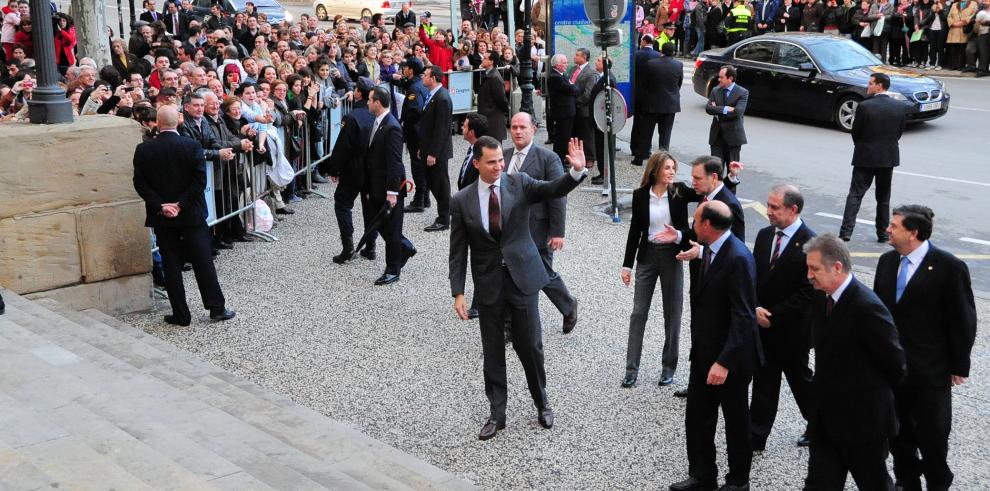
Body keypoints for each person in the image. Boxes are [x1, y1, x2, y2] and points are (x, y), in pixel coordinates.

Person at [449, 136, 588, 441]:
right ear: (476, 164)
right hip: (488, 285)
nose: (499, 166)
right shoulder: (462, 200)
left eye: (500, 160)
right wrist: (458, 292)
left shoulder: (519, 182)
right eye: (491, 162)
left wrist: (575, 172)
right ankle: (497, 414)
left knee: (531, 346)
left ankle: (542, 402)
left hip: (522, 279)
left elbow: (553, 189)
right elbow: (458, 250)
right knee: (493, 352)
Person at [874, 205, 976, 491]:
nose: (888, 230)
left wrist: (959, 365)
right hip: (894, 370)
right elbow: (878, 313)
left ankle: (938, 481)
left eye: (894, 226)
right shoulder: (886, 262)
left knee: (932, 438)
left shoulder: (949, 267)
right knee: (898, 435)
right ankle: (907, 482)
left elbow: (963, 320)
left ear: (913, 233)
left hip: (930, 372)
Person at [670, 200, 761, 491]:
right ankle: (702, 475)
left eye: (696, 221)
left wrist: (724, 362)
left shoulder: (738, 259)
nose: (692, 226)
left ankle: (738, 482)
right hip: (704, 353)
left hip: (729, 360)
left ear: (707, 225)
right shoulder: (709, 249)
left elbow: (744, 317)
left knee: (735, 423)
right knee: (697, 418)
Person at [803, 235, 906, 490]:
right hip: (826, 421)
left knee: (874, 484)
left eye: (814, 268)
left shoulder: (867, 308)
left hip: (863, 425)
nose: (808, 275)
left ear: (837, 267)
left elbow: (896, 365)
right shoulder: (822, 296)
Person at [132, 106, 236, 327]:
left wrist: (163, 205)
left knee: (171, 265)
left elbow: (140, 183)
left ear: (157, 123)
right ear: (178, 121)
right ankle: (216, 307)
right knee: (203, 261)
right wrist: (181, 204)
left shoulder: (144, 149)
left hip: (163, 216)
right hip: (191, 214)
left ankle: (181, 314)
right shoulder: (191, 146)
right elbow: (199, 181)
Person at [749, 185, 817, 452]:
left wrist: (774, 317)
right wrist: (754, 307)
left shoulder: (811, 243)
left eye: (775, 208)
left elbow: (808, 291)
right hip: (763, 327)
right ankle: (756, 436)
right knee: (764, 383)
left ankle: (819, 424)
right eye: (768, 205)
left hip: (792, 331)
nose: (768, 212)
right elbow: (754, 276)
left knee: (801, 382)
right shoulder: (765, 236)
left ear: (793, 209)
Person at [620, 152, 694, 389]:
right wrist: (627, 265)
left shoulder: (679, 191)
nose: (672, 172)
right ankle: (631, 369)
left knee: (673, 313)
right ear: (655, 171)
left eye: (673, 168)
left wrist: (731, 179)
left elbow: (708, 193)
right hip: (647, 256)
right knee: (638, 313)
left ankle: (668, 369)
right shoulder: (641, 195)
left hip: (672, 256)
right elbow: (634, 232)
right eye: (668, 168)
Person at [505, 112, 579, 335]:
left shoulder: (547, 158)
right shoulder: (505, 156)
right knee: (509, 273)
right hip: (509, 230)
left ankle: (568, 304)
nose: (517, 131)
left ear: (533, 130)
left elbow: (557, 194)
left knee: (542, 274)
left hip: (537, 229)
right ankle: (509, 325)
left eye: (522, 127)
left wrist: (558, 231)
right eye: (514, 127)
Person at [839, 73, 905, 243]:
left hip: (865, 156)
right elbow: (898, 133)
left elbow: (856, 132)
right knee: (883, 198)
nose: (867, 86)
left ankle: (846, 232)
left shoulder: (865, 106)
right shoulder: (899, 106)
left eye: (870, 83)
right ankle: (882, 233)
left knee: (855, 195)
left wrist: (863, 146)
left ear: (879, 86)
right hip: (887, 158)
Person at [365, 86, 417, 285]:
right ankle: (404, 247)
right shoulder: (380, 122)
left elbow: (395, 163)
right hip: (377, 185)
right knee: (382, 225)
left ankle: (393, 268)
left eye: (370, 100)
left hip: (389, 187)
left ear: (378, 102)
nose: (368, 103)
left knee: (392, 228)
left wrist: (392, 193)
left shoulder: (392, 127)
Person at [323, 78, 376, 264]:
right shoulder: (378, 114)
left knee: (343, 204)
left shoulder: (352, 117)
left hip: (354, 170)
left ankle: (348, 247)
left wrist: (334, 169)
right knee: (371, 207)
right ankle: (370, 246)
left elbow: (343, 147)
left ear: (359, 93)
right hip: (372, 170)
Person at [417, 66, 454, 232]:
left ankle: (444, 218)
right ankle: (448, 210)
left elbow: (441, 129)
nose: (422, 78)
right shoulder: (433, 95)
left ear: (433, 78)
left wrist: (433, 153)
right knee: (433, 182)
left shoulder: (442, 98)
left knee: (440, 184)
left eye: (425, 75)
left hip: (437, 152)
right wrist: (422, 148)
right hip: (428, 148)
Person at [634, 42, 682, 167]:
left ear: (661, 50)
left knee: (646, 132)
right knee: (665, 134)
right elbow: (679, 84)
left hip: (651, 103)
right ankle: (663, 160)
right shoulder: (678, 65)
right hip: (670, 105)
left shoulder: (652, 64)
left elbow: (645, 83)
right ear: (674, 52)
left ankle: (639, 157)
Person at [400, 58, 432, 213]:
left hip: (417, 134)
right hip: (423, 132)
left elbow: (415, 111)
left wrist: (405, 122)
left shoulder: (414, 88)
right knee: (422, 166)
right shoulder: (421, 85)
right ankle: (425, 198)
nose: (403, 70)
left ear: (411, 70)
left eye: (405, 68)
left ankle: (419, 200)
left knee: (418, 166)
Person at [706, 65, 748, 165]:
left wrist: (717, 110)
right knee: (715, 170)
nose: (718, 79)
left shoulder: (742, 92)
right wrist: (725, 109)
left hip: (733, 138)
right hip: (716, 137)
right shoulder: (715, 90)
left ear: (730, 78)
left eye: (721, 77)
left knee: (732, 171)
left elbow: (737, 112)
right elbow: (708, 109)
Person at [546, 54, 580, 168]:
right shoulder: (555, 77)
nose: (566, 65)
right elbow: (572, 89)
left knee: (566, 137)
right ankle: (558, 162)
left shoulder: (562, 75)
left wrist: (573, 87)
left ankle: (563, 158)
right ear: (557, 65)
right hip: (562, 113)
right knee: (561, 139)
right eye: (564, 63)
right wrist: (573, 87)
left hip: (568, 112)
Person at [590, 55, 617, 185]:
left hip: (603, 121)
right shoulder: (603, 76)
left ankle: (605, 174)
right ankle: (602, 172)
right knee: (600, 147)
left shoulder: (608, 79)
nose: (596, 62)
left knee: (603, 147)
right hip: (599, 119)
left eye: (599, 60)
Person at [571, 48, 598, 173]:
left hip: (584, 109)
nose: (575, 57)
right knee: (577, 134)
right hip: (574, 109)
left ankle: (589, 157)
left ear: (585, 57)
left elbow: (589, 93)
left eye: (577, 55)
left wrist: (577, 102)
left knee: (587, 135)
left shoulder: (591, 73)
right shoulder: (574, 69)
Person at [476, 50, 508, 142]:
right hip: (488, 118)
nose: (482, 59)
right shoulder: (489, 75)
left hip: (493, 120)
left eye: (485, 58)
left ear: (491, 61)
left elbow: (501, 99)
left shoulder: (494, 78)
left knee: (494, 149)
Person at [458, 113, 488, 190]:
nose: (462, 128)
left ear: (472, 132)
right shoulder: (472, 148)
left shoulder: (483, 155)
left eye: (464, 127)